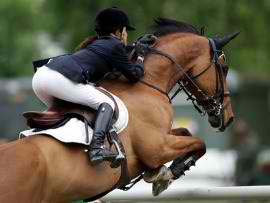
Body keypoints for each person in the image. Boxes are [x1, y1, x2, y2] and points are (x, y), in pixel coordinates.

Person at [31, 7, 145, 165]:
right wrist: (140, 56)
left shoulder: (97, 44)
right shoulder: (114, 44)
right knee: (107, 104)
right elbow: (135, 75)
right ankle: (96, 148)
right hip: (57, 79)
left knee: (74, 112)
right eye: (125, 31)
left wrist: (130, 48)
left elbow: (113, 61)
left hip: (40, 78)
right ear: (119, 32)